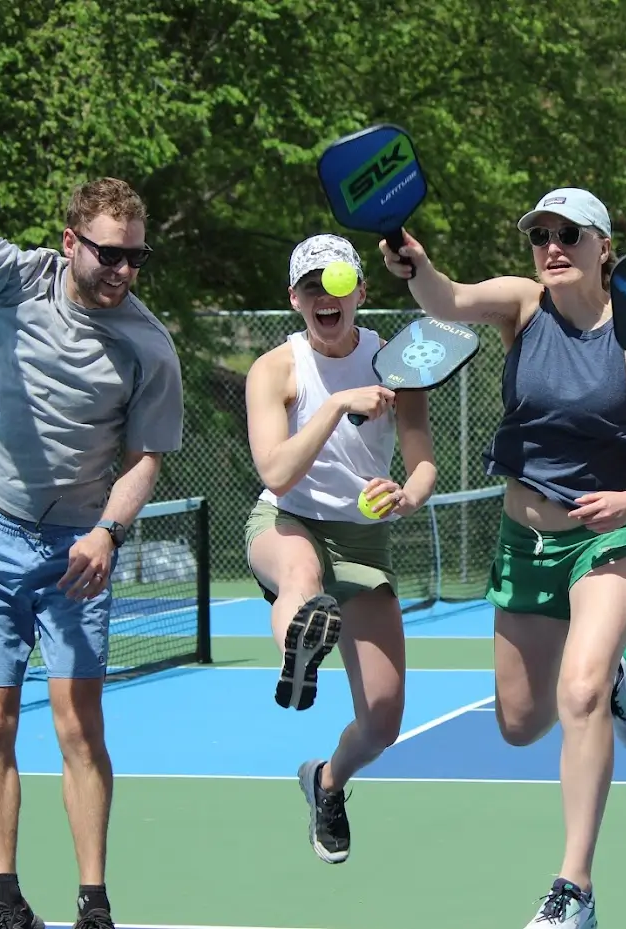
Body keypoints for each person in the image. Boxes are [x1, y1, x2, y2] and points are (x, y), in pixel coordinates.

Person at [379, 188, 626, 929]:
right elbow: (449, 299)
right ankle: (619, 663)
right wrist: (416, 265)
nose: (552, 247)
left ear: (603, 247)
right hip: (525, 540)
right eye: (541, 235)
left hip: (609, 539)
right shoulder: (523, 307)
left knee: (578, 694)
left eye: (570, 235)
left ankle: (574, 888)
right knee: (521, 724)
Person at [0, 160, 184, 929]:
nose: (123, 270)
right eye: (109, 253)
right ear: (70, 242)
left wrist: (107, 533)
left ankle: (94, 902)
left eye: (136, 257)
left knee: (77, 724)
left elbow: (144, 459)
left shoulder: (149, 347)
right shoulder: (20, 281)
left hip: (77, 552)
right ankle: (5, 899)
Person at [243, 233, 438, 864]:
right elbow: (276, 474)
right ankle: (299, 654)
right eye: (310, 287)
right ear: (294, 299)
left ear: (360, 291)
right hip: (287, 520)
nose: (324, 297)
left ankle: (326, 781)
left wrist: (407, 494)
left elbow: (423, 462)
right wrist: (334, 406)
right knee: (301, 576)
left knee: (382, 722)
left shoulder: (397, 362)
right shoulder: (274, 369)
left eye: (337, 285)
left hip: (363, 540)